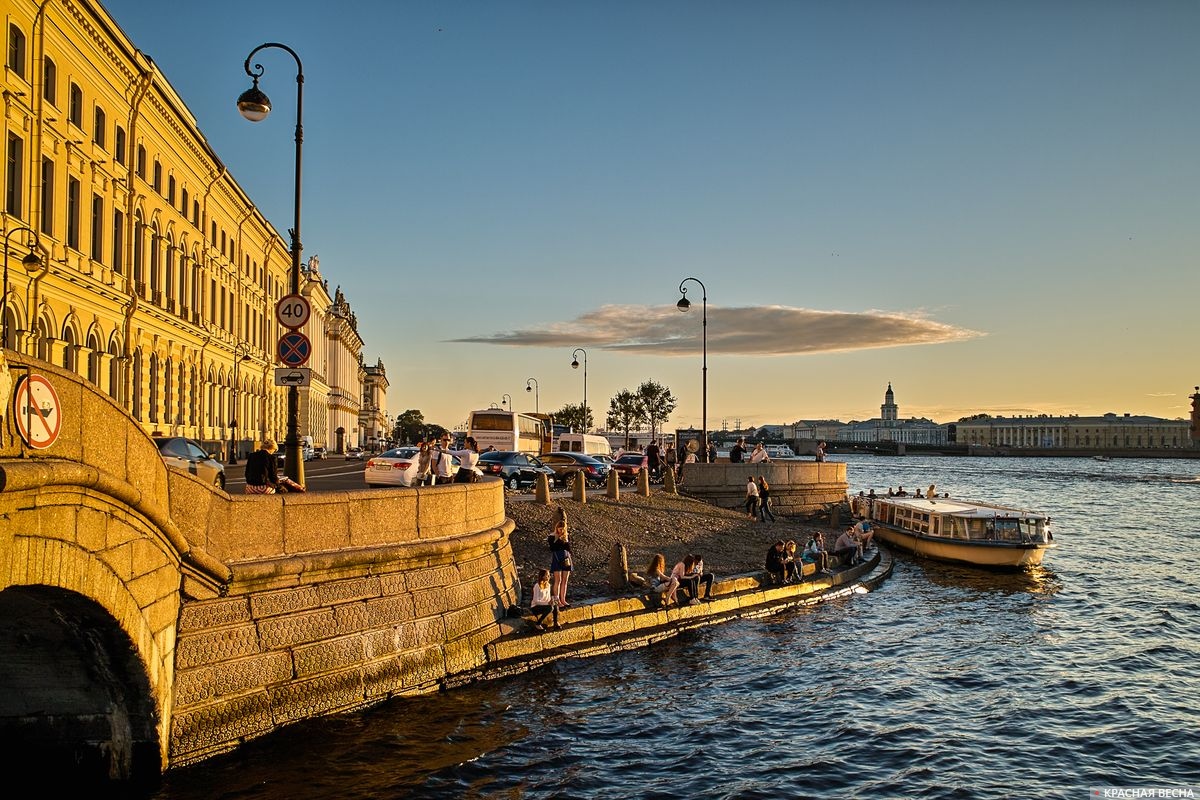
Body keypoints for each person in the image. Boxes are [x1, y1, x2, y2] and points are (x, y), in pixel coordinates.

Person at [548, 513, 572, 607]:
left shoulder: (566, 536)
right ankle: (557, 600)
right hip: (557, 558)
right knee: (558, 580)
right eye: (560, 528)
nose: (561, 530)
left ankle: (563, 599)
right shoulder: (552, 536)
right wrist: (557, 539)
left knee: (565, 580)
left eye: (563, 528)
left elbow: (569, 548)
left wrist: (565, 539)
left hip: (566, 558)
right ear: (557, 528)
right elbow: (552, 548)